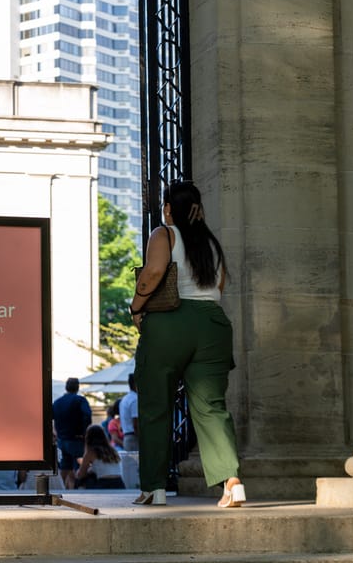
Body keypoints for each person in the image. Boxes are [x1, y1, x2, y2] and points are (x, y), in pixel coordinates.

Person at [129, 181, 244, 508]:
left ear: (168, 208)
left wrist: (136, 306)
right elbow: (219, 285)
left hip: (170, 322)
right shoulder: (211, 243)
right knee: (211, 407)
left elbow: (153, 271)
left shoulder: (164, 234)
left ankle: (154, 488)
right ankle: (232, 482)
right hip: (213, 324)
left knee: (155, 406)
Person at [51, 377, 92, 489]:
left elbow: (50, 417)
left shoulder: (57, 402)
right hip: (76, 439)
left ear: (66, 387)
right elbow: (87, 415)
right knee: (79, 466)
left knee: (65, 467)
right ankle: (78, 490)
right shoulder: (80, 400)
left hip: (62, 440)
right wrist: (85, 433)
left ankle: (62, 488)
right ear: (78, 387)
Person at [74, 425, 126, 489]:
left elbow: (80, 475)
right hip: (119, 483)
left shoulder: (90, 452)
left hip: (104, 484)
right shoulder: (113, 450)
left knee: (83, 479)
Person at [119, 374, 139, 452]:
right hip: (134, 438)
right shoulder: (135, 399)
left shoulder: (124, 399)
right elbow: (136, 424)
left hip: (126, 438)